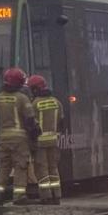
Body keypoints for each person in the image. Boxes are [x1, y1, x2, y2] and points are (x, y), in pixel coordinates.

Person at [0, 67, 38, 205]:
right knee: (21, 166)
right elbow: (30, 119)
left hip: (3, 137)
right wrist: (34, 133)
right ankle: (19, 196)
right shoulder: (22, 98)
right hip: (19, 138)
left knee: (4, 167)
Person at [29, 75, 65, 204]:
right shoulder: (57, 102)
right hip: (54, 140)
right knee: (53, 168)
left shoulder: (34, 103)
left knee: (42, 169)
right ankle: (57, 195)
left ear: (35, 89)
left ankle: (46, 196)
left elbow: (32, 123)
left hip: (40, 142)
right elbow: (61, 121)